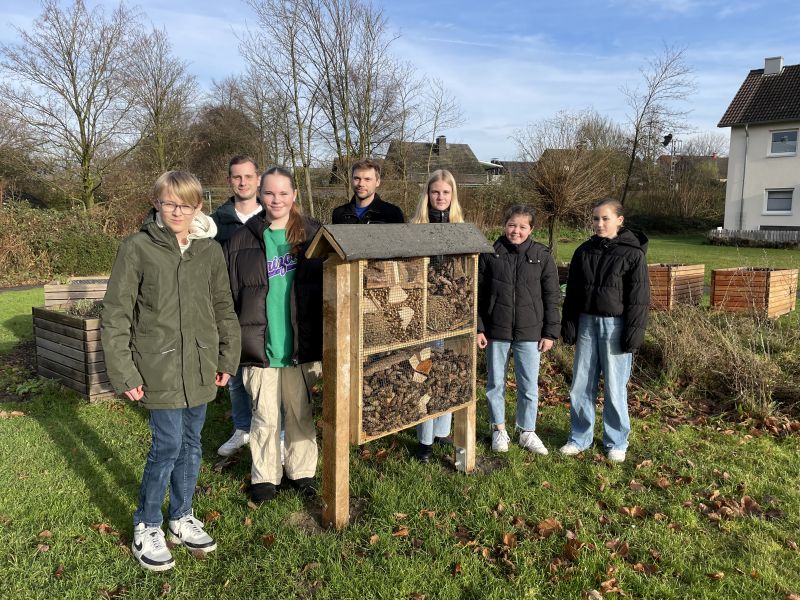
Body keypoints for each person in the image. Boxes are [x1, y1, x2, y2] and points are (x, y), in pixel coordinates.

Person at [101, 171, 241, 572]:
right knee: (167, 445)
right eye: (169, 203)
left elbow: (223, 308)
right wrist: (124, 372)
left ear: (198, 207)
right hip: (157, 367)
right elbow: (116, 314)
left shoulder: (209, 251)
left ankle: (180, 517)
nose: (177, 211)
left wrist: (226, 359)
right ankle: (147, 524)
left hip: (200, 365)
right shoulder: (137, 248)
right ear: (157, 203)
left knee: (192, 443)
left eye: (185, 204)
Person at [225, 166, 323, 504]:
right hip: (260, 346)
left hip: (301, 346)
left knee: (300, 412)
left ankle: (302, 471)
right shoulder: (241, 241)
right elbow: (229, 297)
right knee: (264, 415)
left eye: (283, 193)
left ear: (294, 194)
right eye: (269, 193)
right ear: (260, 194)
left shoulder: (314, 235)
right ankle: (265, 477)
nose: (276, 199)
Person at [559, 198, 650, 464]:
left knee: (614, 387)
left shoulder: (633, 254)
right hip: (587, 324)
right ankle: (579, 437)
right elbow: (573, 293)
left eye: (605, 218)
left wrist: (633, 333)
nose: (599, 224)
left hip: (616, 326)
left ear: (619, 220)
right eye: (595, 219)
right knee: (580, 385)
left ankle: (617, 441)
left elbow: (639, 299)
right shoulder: (583, 251)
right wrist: (570, 324)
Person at [476, 205, 561, 454]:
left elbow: (552, 296)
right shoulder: (490, 253)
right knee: (495, 384)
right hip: (496, 330)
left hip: (530, 332)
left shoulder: (541, 255)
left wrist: (550, 332)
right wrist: (479, 328)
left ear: (531, 229)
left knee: (529, 386)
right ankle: (498, 430)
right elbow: (478, 293)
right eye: (512, 225)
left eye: (523, 227)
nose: (516, 231)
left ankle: (527, 432)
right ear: (505, 225)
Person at [409, 169, 465, 462]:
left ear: (452, 195)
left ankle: (442, 431)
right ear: (427, 194)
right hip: (423, 311)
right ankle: (424, 439)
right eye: (435, 192)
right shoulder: (415, 228)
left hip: (453, 313)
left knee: (447, 370)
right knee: (425, 370)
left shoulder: (461, 229)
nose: (440, 197)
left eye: (445, 192)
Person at [212, 156, 261, 457]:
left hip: (262, 306)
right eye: (236, 177)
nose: (242, 182)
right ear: (229, 180)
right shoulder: (216, 223)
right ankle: (242, 428)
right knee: (236, 371)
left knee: (267, 373)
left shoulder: (272, 216)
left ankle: (274, 429)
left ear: (258, 179)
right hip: (229, 307)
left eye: (248, 176)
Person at [330, 158, 405, 224]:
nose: (361, 184)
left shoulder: (392, 213)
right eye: (357, 178)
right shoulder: (339, 214)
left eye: (367, 179)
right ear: (351, 181)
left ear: (377, 182)